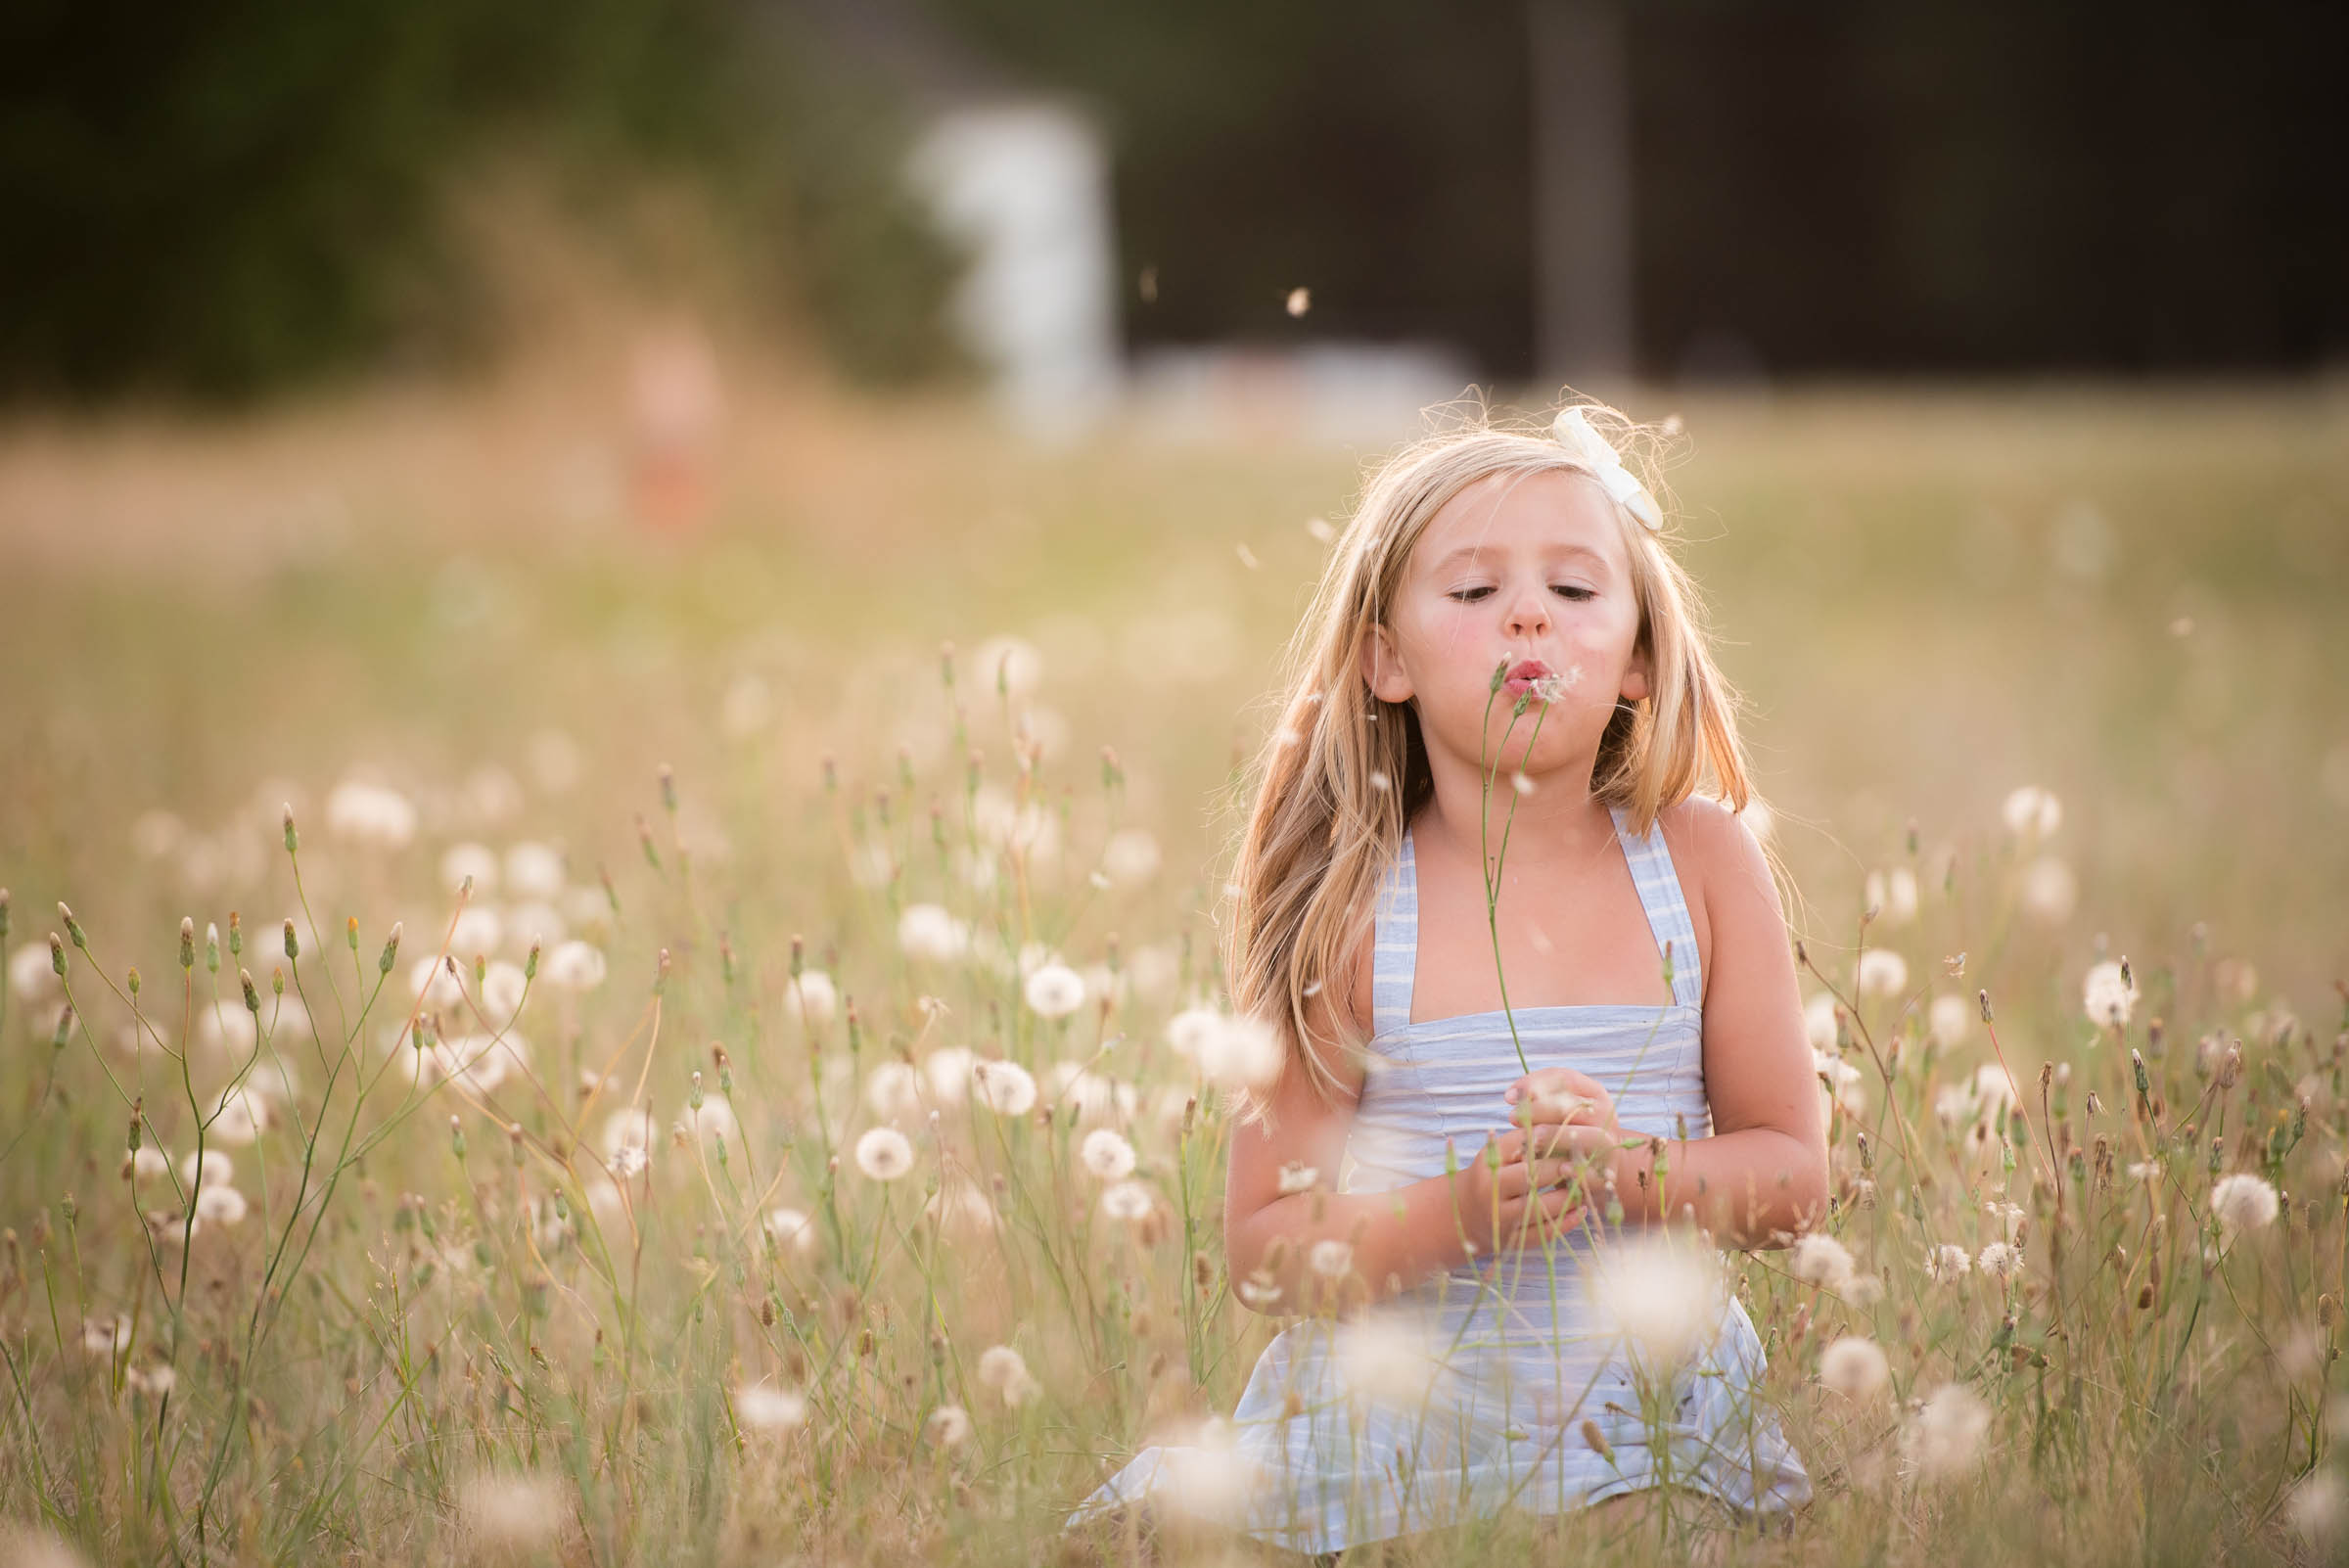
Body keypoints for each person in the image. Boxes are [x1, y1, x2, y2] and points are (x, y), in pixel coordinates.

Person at [1059, 394, 1825, 1564]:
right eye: (1473, 593)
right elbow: (1269, 1247)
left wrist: (1628, 1176)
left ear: (1635, 657)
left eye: (1574, 591)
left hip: (1643, 1428)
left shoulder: (1701, 863)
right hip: (1387, 1427)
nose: (1528, 615)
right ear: (1387, 659)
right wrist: (1465, 1211)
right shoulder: (1352, 902)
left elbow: (1790, 1180)